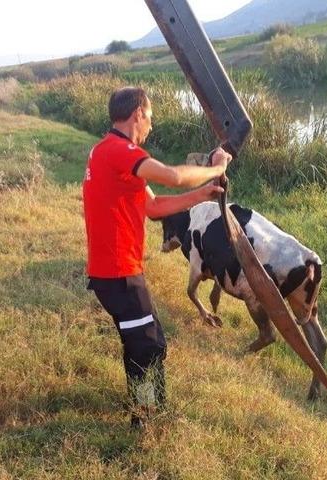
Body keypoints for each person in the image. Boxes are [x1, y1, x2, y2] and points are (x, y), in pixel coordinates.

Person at [83, 86, 233, 427]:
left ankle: (146, 410)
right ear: (137, 113)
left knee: (143, 341)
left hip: (117, 272)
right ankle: (146, 418)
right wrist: (215, 167)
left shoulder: (110, 153)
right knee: (149, 346)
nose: (151, 123)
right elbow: (174, 176)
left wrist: (202, 195)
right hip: (118, 273)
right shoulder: (120, 150)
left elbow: (153, 208)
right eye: (150, 116)